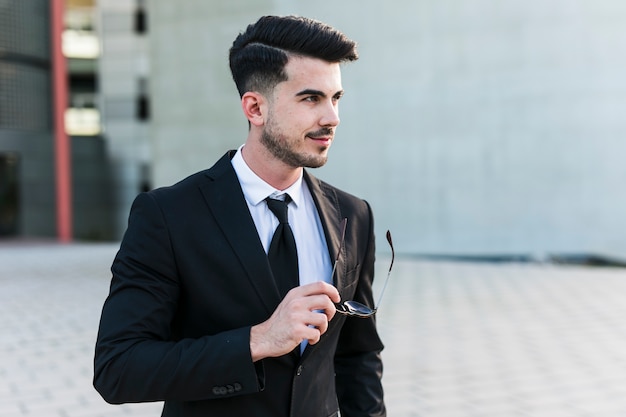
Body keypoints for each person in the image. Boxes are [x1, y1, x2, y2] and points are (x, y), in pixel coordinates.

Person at [93, 15, 386, 417]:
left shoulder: (354, 215)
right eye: (310, 98)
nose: (332, 118)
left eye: (335, 98)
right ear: (255, 107)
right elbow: (118, 368)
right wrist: (258, 340)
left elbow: (359, 357)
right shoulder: (168, 216)